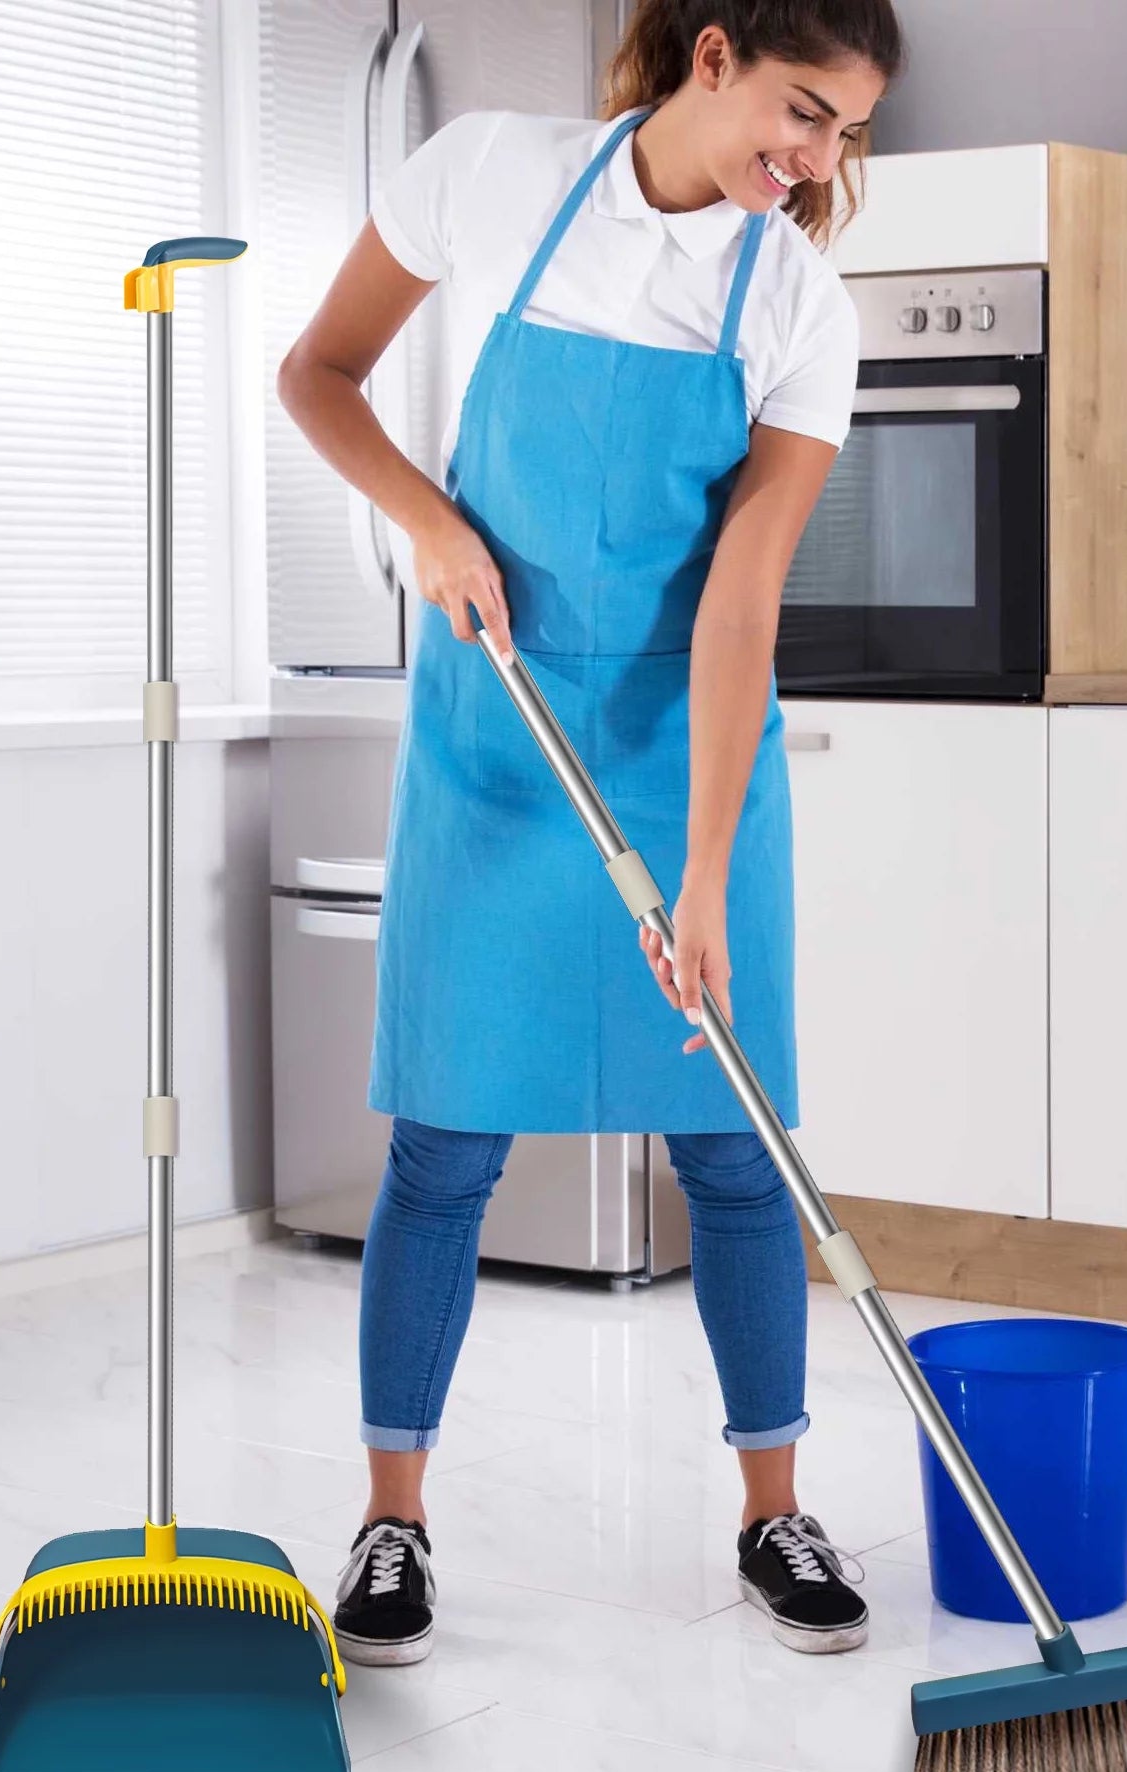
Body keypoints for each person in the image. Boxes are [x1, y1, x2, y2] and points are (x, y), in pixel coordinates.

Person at [278, 0, 905, 1667]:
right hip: (495, 734)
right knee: (444, 1146)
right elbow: (315, 373)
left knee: (736, 1148)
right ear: (713, 55)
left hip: (689, 744)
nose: (817, 159)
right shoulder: (491, 173)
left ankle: (774, 1514)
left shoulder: (797, 303)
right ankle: (394, 1523)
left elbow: (741, 603)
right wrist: (426, 522)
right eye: (803, 109)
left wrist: (702, 872)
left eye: (846, 131)